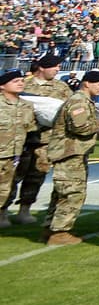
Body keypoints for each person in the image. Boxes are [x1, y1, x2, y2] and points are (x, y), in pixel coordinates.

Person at [2, 56, 72, 226]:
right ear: (42, 68)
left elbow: (69, 108)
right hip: (20, 140)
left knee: (36, 176)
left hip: (46, 140)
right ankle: (2, 211)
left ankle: (24, 210)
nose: (57, 69)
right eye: (54, 66)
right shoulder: (24, 84)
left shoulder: (61, 87)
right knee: (10, 177)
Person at [43, 70, 99, 244]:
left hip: (71, 152)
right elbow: (81, 127)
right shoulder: (78, 101)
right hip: (70, 153)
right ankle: (60, 232)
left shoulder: (83, 100)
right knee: (73, 193)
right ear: (87, 83)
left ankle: (51, 228)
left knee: (61, 193)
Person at [0, 69, 36, 230]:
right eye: (15, 81)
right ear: (2, 86)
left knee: (6, 188)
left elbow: (29, 129)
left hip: (14, 155)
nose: (20, 83)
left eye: (21, 80)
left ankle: (3, 213)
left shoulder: (26, 105)